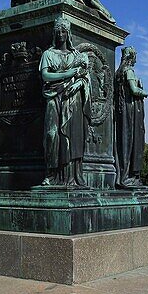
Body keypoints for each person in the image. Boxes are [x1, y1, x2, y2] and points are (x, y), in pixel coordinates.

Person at [40, 17, 90, 186]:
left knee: (72, 137)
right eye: (58, 31)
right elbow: (45, 76)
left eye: (64, 31)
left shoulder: (76, 55)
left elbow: (85, 78)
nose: (61, 34)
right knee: (51, 135)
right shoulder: (48, 54)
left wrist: (78, 83)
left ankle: (70, 175)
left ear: (68, 33)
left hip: (72, 99)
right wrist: (67, 74)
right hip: (53, 97)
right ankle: (51, 173)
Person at [114, 46, 148, 188]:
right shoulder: (128, 71)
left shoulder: (118, 73)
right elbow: (134, 90)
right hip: (130, 111)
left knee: (123, 141)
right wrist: (143, 90)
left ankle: (122, 174)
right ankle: (127, 176)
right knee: (132, 141)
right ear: (132, 57)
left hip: (121, 111)